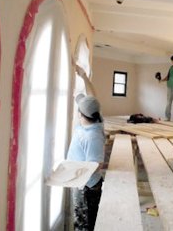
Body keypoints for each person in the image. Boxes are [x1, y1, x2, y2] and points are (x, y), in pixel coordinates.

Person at [67, 64, 105, 230]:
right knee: (84, 219)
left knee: (84, 223)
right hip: (83, 182)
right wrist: (83, 75)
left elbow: (97, 165)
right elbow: (92, 96)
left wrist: (69, 173)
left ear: (81, 114)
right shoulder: (95, 120)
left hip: (87, 186)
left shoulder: (92, 136)